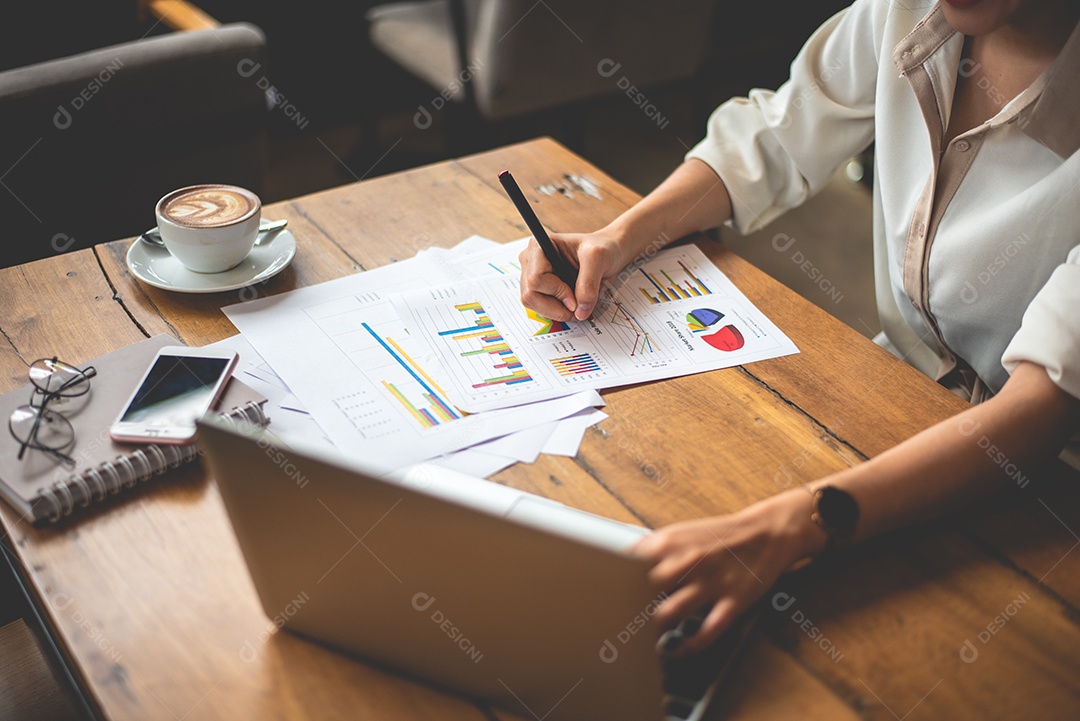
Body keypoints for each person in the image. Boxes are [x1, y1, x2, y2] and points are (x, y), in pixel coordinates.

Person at [518, 0, 1080, 656]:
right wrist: (615, 240)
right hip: (897, 401)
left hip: (1045, 492)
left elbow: (1040, 412)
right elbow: (776, 137)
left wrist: (800, 520)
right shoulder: (909, 11)